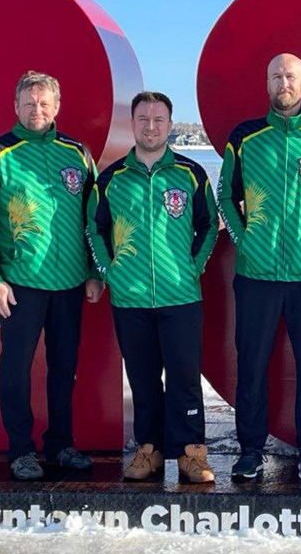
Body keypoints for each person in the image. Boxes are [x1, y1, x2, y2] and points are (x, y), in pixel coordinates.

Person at [216, 53, 301, 480]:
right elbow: (224, 197)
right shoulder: (246, 136)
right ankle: (251, 449)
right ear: (268, 83)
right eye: (276, 75)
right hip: (255, 276)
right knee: (252, 364)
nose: (284, 82)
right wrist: (245, 239)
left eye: (291, 76)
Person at [0, 70, 103, 480]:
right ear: (17, 107)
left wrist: (95, 271)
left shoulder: (77, 153)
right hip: (20, 284)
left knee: (64, 368)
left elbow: (94, 217)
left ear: (56, 107)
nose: (37, 110)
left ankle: (60, 445)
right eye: (29, 104)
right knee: (16, 368)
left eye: (44, 104)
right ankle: (20, 450)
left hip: (71, 283)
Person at [86, 91, 219, 483]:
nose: (150, 126)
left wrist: (192, 267)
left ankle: (192, 454)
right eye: (143, 118)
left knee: (183, 377)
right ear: (134, 123)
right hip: (131, 298)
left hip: (181, 296)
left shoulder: (190, 173)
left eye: (158, 119)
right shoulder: (111, 178)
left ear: (170, 124)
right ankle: (150, 450)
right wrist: (109, 271)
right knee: (143, 378)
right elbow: (95, 228)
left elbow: (209, 225)